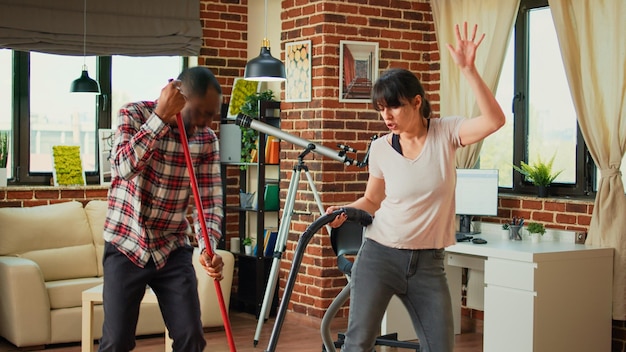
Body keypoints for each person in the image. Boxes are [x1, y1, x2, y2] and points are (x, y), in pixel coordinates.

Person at [326, 23, 505, 352]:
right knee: (357, 344)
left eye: (393, 106)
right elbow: (372, 199)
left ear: (417, 102)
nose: (386, 115)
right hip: (379, 255)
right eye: (381, 109)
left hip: (428, 262)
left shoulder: (446, 133)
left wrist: (469, 70)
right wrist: (345, 212)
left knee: (439, 347)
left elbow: (495, 121)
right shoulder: (380, 148)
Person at [99, 66, 225, 352]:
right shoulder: (132, 115)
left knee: (191, 336)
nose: (206, 122)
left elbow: (209, 203)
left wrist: (208, 248)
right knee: (117, 341)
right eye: (202, 112)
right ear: (180, 97)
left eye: (211, 115)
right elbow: (123, 168)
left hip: (171, 248)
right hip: (126, 244)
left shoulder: (206, 142)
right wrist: (159, 119)